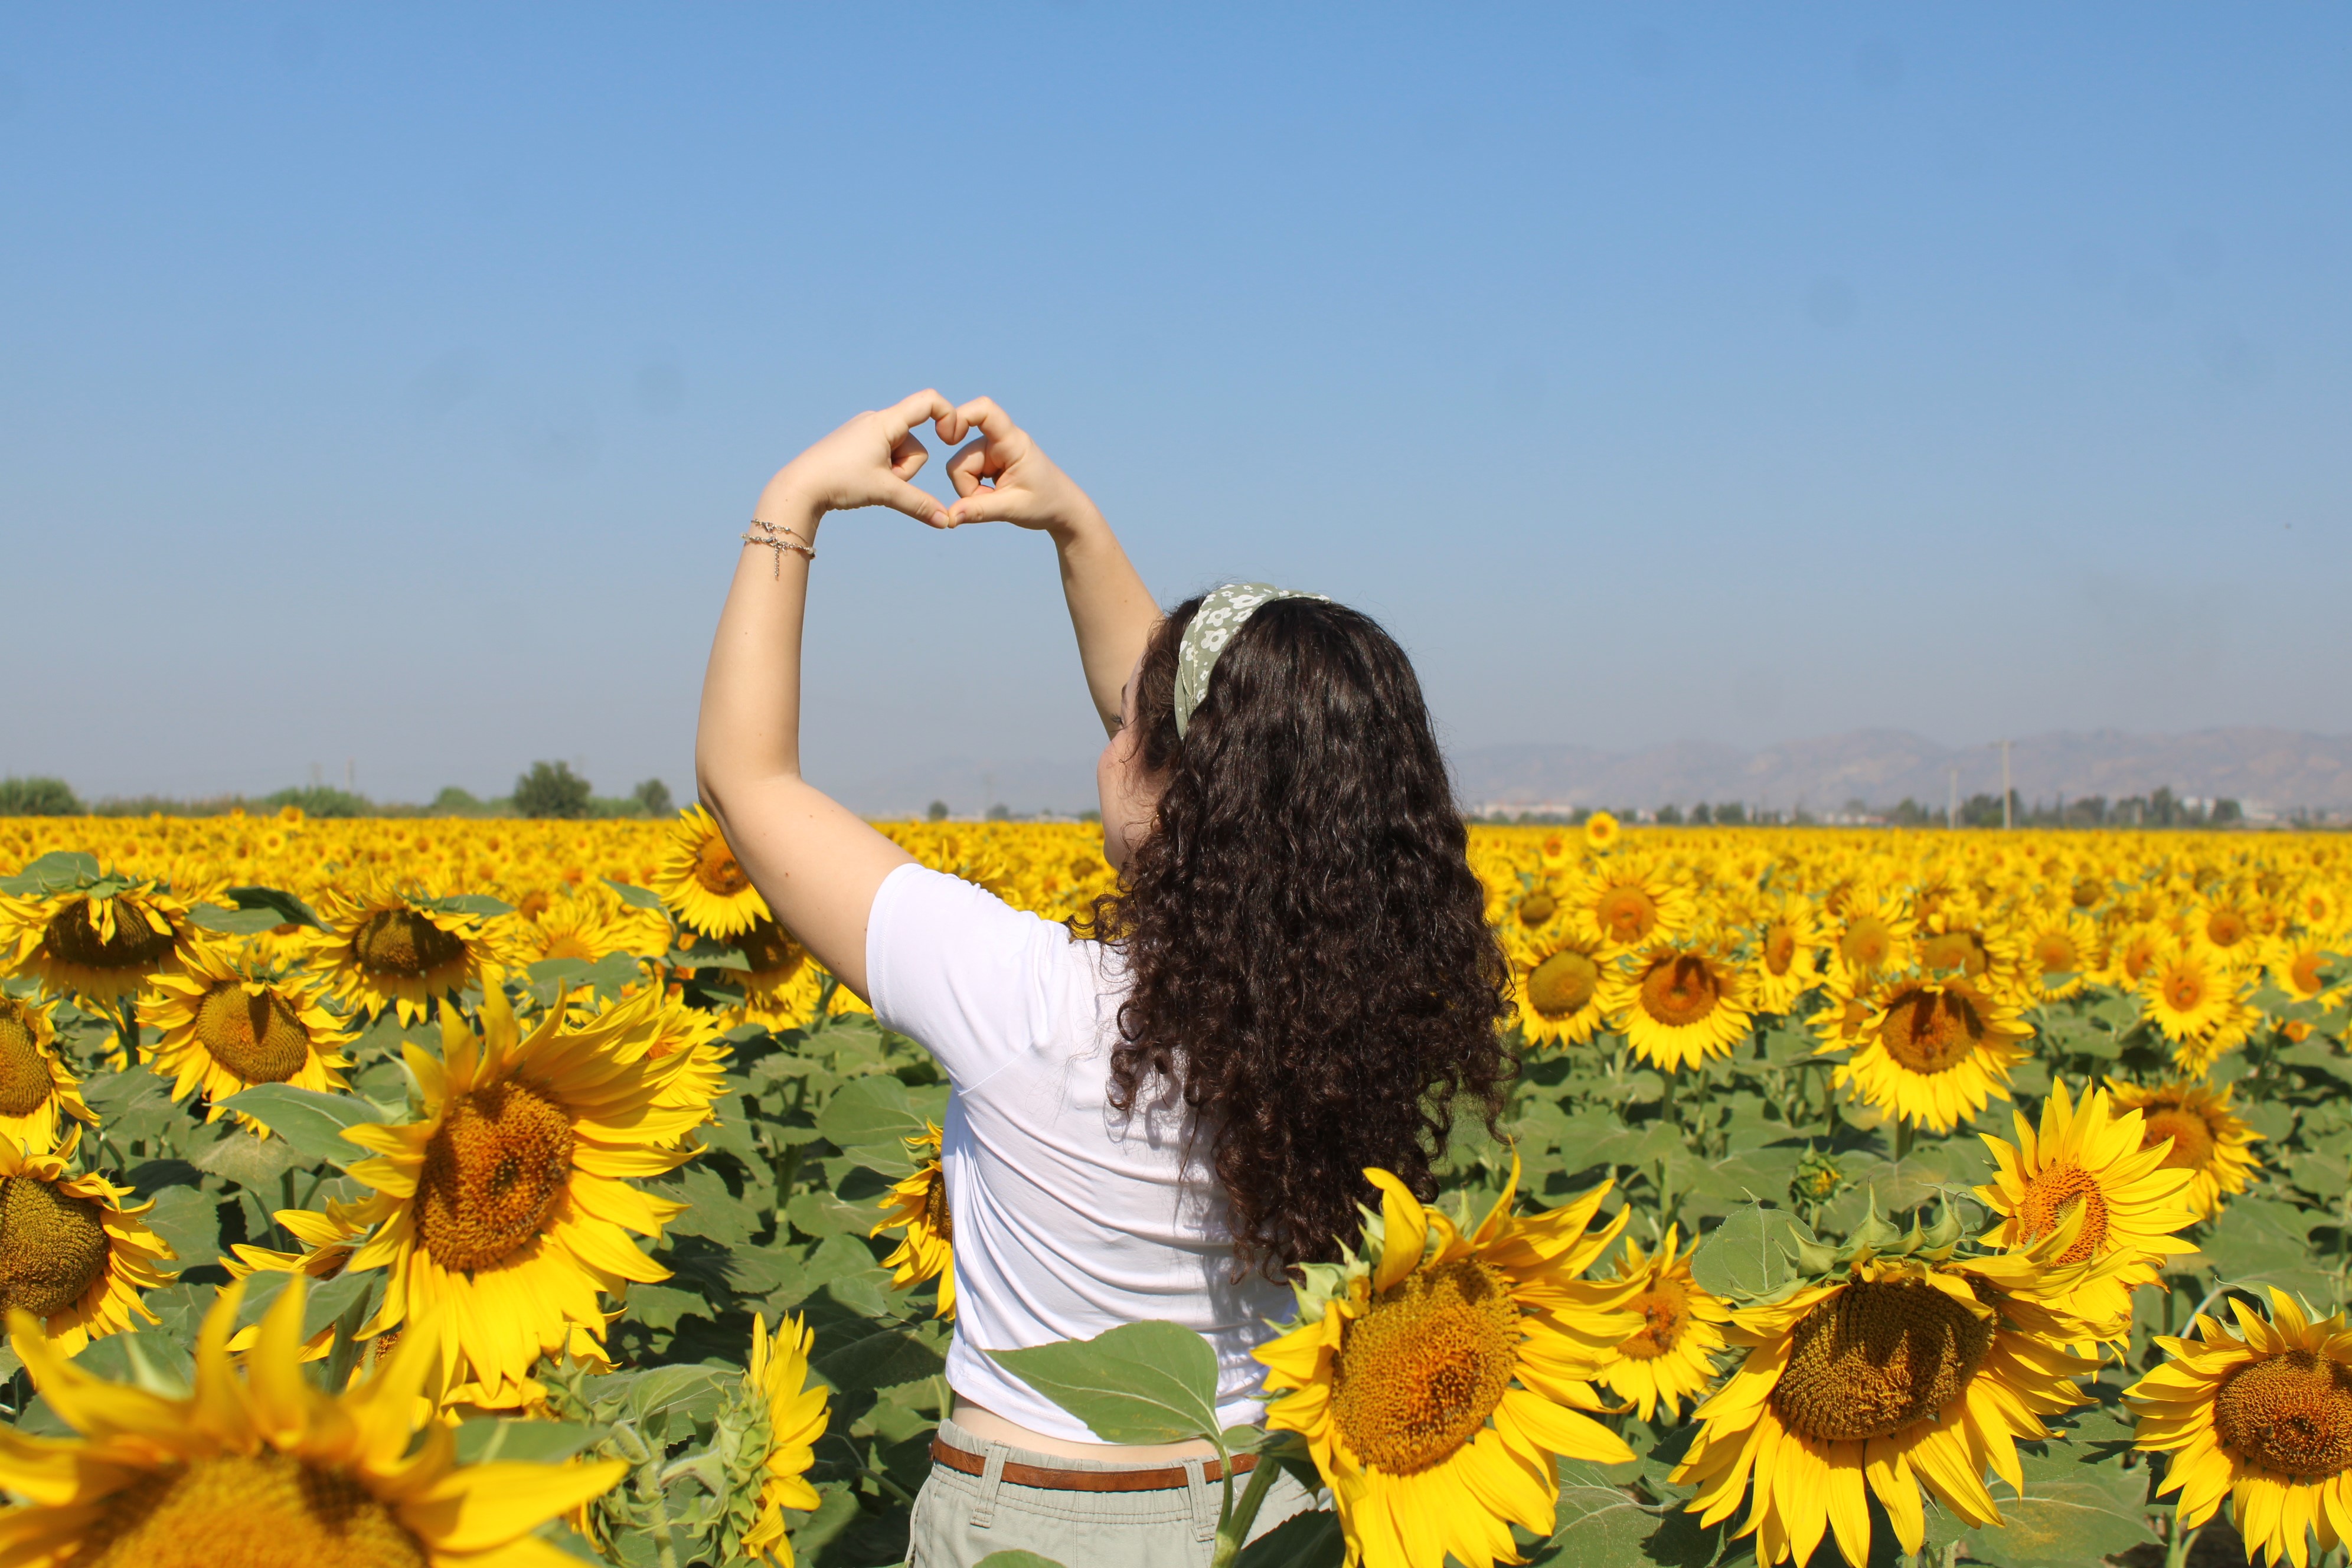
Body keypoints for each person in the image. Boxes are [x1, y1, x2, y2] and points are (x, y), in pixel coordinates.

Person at [696, 391, 1513, 1567]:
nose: (1108, 738)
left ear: (1187, 801)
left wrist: (793, 502)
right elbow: (1214, 742)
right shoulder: (1361, 1018)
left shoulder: (1033, 1009)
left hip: (1035, 1522)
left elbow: (748, 780)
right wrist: (1070, 522)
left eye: (1127, 725)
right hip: (1267, 1514)